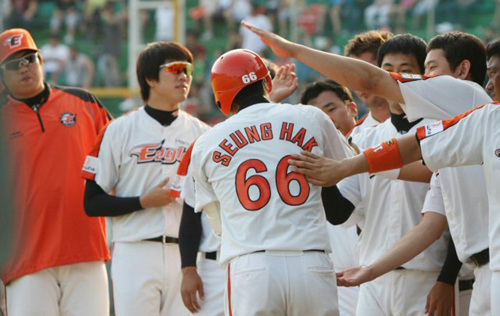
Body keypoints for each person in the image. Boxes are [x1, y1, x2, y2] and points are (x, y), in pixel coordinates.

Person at [289, 101, 500, 315]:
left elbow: (447, 218)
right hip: (373, 278)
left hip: (426, 275)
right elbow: (340, 213)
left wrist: (446, 277)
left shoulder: (451, 129)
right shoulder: (364, 139)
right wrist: (325, 167)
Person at [190, 48, 353, 315]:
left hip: (252, 265)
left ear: (221, 98)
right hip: (311, 260)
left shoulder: (207, 142)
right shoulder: (310, 117)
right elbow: (346, 170)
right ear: (267, 82)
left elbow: (219, 224)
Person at [82, 41, 210, 316]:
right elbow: (92, 203)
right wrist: (142, 201)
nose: (184, 76)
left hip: (186, 257)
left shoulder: (202, 134)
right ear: (150, 78)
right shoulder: (117, 130)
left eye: (188, 69)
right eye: (175, 69)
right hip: (135, 252)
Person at [0, 28, 111, 316]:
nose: (25, 67)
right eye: (14, 63)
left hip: (85, 250)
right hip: (24, 262)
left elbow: (121, 156)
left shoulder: (84, 102)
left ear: (42, 60)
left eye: (30, 58)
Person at [178, 61, 300, 316]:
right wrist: (188, 266)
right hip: (216, 264)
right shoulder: (210, 143)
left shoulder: (287, 136)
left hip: (266, 259)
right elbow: (191, 211)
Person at [342, 30, 393, 137]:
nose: (361, 82)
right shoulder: (353, 138)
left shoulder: (424, 118)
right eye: (354, 75)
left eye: (368, 73)